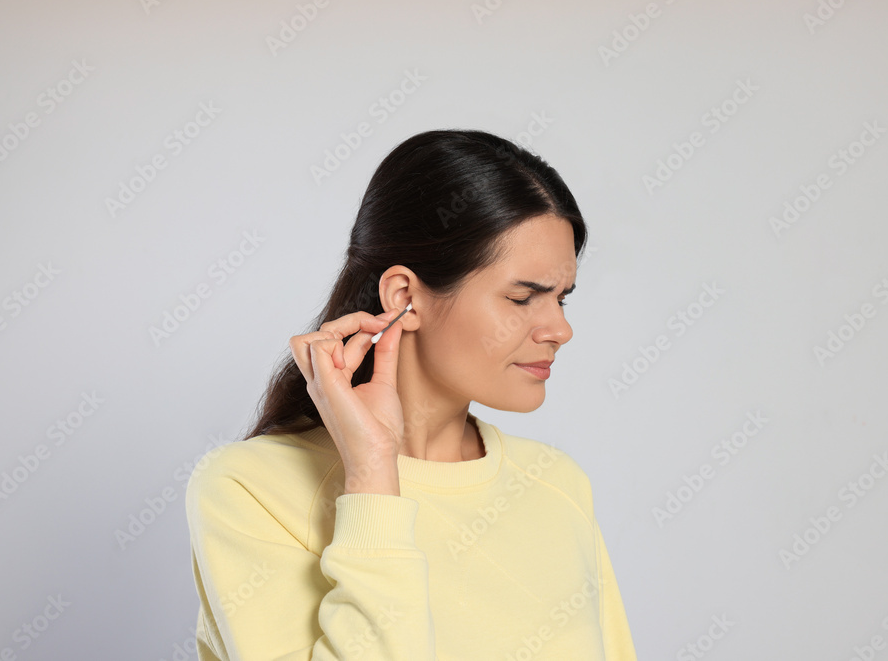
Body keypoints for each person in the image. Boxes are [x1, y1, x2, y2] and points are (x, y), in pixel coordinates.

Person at [184, 129, 638, 660]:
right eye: (522, 298)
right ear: (404, 297)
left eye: (561, 299)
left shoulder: (557, 485)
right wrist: (373, 473)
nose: (560, 329)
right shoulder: (250, 489)